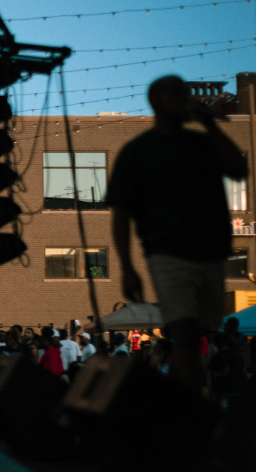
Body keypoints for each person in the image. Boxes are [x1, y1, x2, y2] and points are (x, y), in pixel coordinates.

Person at [106, 75, 247, 391]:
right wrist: (127, 267)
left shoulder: (202, 144)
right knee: (183, 335)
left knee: (202, 332)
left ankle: (191, 401)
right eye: (176, 94)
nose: (184, 99)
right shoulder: (138, 151)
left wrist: (209, 124)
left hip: (210, 250)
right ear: (156, 101)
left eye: (186, 93)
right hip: (168, 251)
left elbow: (238, 169)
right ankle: (187, 408)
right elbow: (120, 214)